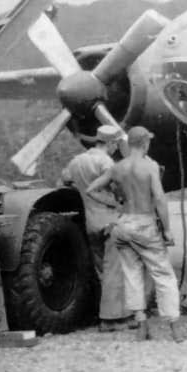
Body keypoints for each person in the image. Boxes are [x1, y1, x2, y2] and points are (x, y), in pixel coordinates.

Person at [85, 126, 185, 342]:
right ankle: (175, 327)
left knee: (132, 276)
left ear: (128, 144)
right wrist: (167, 229)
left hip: (123, 225)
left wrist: (114, 204)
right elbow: (159, 198)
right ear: (146, 143)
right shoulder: (150, 166)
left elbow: (91, 189)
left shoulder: (118, 167)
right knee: (163, 275)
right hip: (145, 222)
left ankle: (141, 325)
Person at [60, 124, 128, 331]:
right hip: (109, 220)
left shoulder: (76, 161)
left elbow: (64, 180)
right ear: (111, 143)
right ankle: (112, 320)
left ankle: (101, 315)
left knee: (101, 272)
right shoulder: (106, 162)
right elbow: (118, 189)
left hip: (89, 222)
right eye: (116, 143)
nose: (116, 147)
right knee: (115, 271)